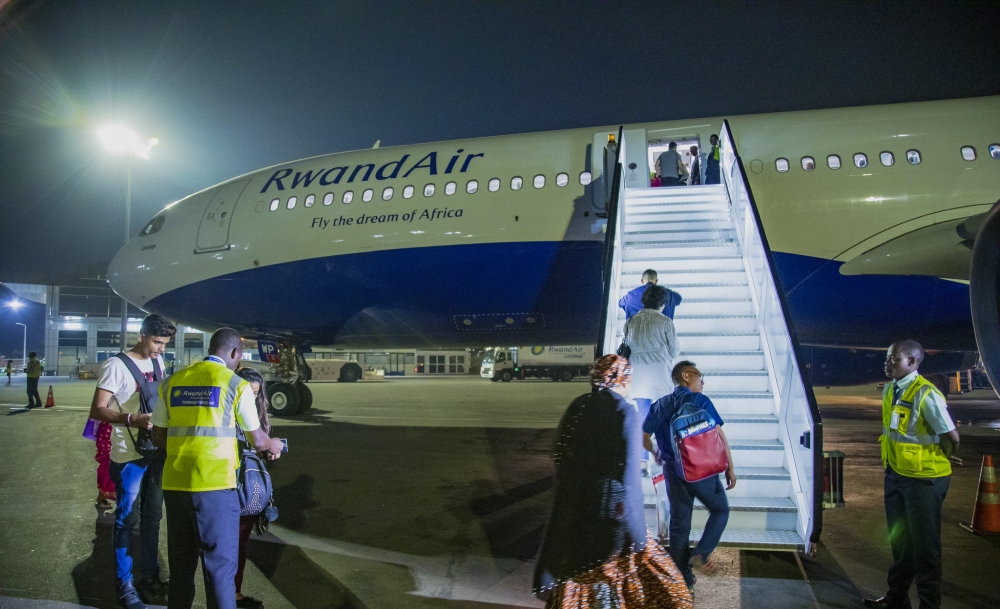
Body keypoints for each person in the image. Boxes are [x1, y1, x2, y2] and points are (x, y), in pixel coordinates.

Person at [534, 354, 691, 609]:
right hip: (611, 516)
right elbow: (627, 473)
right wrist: (637, 531)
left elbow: (558, 452)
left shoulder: (578, 405)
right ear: (622, 379)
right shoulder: (624, 412)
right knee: (652, 583)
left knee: (580, 576)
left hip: (575, 508)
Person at [152, 328, 283, 609]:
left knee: (181, 568)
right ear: (235, 352)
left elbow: (158, 435)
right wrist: (274, 445)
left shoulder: (172, 382)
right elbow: (258, 440)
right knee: (220, 570)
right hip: (215, 488)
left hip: (175, 484)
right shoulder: (235, 384)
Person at [863, 340, 960, 609]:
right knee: (900, 543)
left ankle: (929, 604)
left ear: (912, 362)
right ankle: (896, 599)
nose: (888, 363)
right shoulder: (890, 390)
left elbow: (952, 436)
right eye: (887, 357)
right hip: (896, 474)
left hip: (924, 480)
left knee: (925, 548)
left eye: (894, 358)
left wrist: (944, 455)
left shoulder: (926, 394)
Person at [89, 314, 176, 609]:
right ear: (141, 336)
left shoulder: (158, 362)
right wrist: (132, 419)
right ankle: (124, 583)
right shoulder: (116, 365)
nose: (161, 349)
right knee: (127, 519)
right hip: (129, 456)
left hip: (155, 451)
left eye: (165, 344)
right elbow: (98, 409)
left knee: (153, 518)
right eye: (157, 342)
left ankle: (149, 577)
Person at [642, 361, 735, 590]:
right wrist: (729, 467)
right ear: (685, 376)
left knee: (679, 525)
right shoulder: (700, 401)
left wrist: (656, 453)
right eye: (699, 376)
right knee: (721, 510)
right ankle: (701, 555)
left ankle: (683, 581)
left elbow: (643, 437)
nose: (702, 382)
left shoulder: (658, 405)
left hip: (673, 471)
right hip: (701, 470)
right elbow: (718, 434)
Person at [233, 367, 272, 609]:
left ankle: (234, 592)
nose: (253, 397)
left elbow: (262, 443)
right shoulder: (227, 411)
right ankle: (228, 595)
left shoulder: (258, 413)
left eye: (256, 394)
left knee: (241, 541)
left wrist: (269, 450)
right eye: (248, 392)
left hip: (248, 482)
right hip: (231, 480)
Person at [620, 284, 680, 420]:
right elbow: (674, 351)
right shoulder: (665, 321)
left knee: (643, 414)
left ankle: (644, 432)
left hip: (638, 374)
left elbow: (624, 346)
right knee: (664, 413)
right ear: (662, 304)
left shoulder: (630, 322)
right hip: (660, 372)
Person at [618, 269, 683, 321]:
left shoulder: (630, 295)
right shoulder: (669, 294)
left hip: (636, 331)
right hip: (662, 331)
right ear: (656, 281)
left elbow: (621, 303)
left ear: (642, 281)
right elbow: (678, 299)